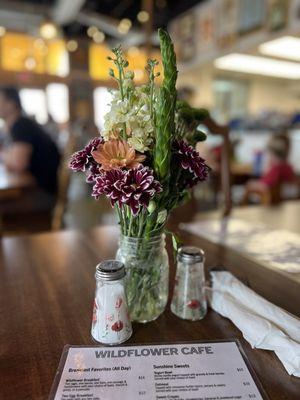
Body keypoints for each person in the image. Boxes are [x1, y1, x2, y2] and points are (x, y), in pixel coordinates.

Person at [0, 86, 60, 215]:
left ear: (11, 104)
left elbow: (18, 164)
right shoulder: (18, 125)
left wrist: (4, 155)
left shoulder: (21, 125)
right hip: (39, 190)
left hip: (42, 195)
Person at [245, 133, 295, 199]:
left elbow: (267, 184)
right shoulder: (288, 167)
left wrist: (252, 184)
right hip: (284, 199)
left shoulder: (276, 169)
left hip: (270, 200)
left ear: (272, 154)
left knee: (249, 185)